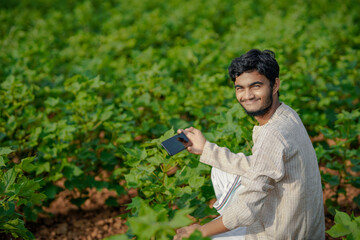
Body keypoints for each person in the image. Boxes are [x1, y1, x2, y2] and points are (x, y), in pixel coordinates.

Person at [173, 49, 325, 240]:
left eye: (256, 86)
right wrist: (206, 149)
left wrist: (199, 231)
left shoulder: (273, 134)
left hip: (282, 234)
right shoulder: (286, 114)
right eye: (240, 88)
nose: (247, 96)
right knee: (219, 170)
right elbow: (261, 165)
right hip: (303, 228)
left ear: (275, 84)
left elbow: (246, 210)